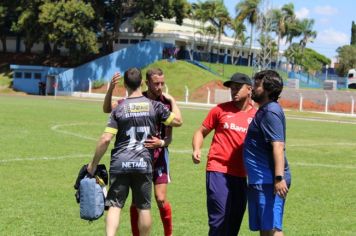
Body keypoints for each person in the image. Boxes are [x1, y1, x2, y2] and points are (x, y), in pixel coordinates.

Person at [87, 68, 183, 236]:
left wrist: (93, 164)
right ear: (142, 83)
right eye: (156, 83)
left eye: (162, 83)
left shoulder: (121, 107)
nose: (160, 87)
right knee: (144, 207)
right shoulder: (156, 106)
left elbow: (105, 138)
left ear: (125, 84)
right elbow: (177, 121)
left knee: (115, 206)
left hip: (122, 161)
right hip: (143, 161)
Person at [192, 72, 256, 236]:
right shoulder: (220, 110)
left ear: (249, 89)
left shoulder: (257, 116)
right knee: (218, 220)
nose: (233, 91)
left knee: (234, 222)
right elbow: (200, 132)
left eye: (237, 87)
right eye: (231, 88)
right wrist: (197, 148)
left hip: (242, 175)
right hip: (217, 170)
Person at [243, 70, 291, 236]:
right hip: (261, 180)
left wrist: (279, 179)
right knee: (266, 229)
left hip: (270, 181)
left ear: (269, 89)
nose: (253, 88)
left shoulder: (270, 112)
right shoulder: (264, 110)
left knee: (272, 230)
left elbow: (278, 146)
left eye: (257, 85)